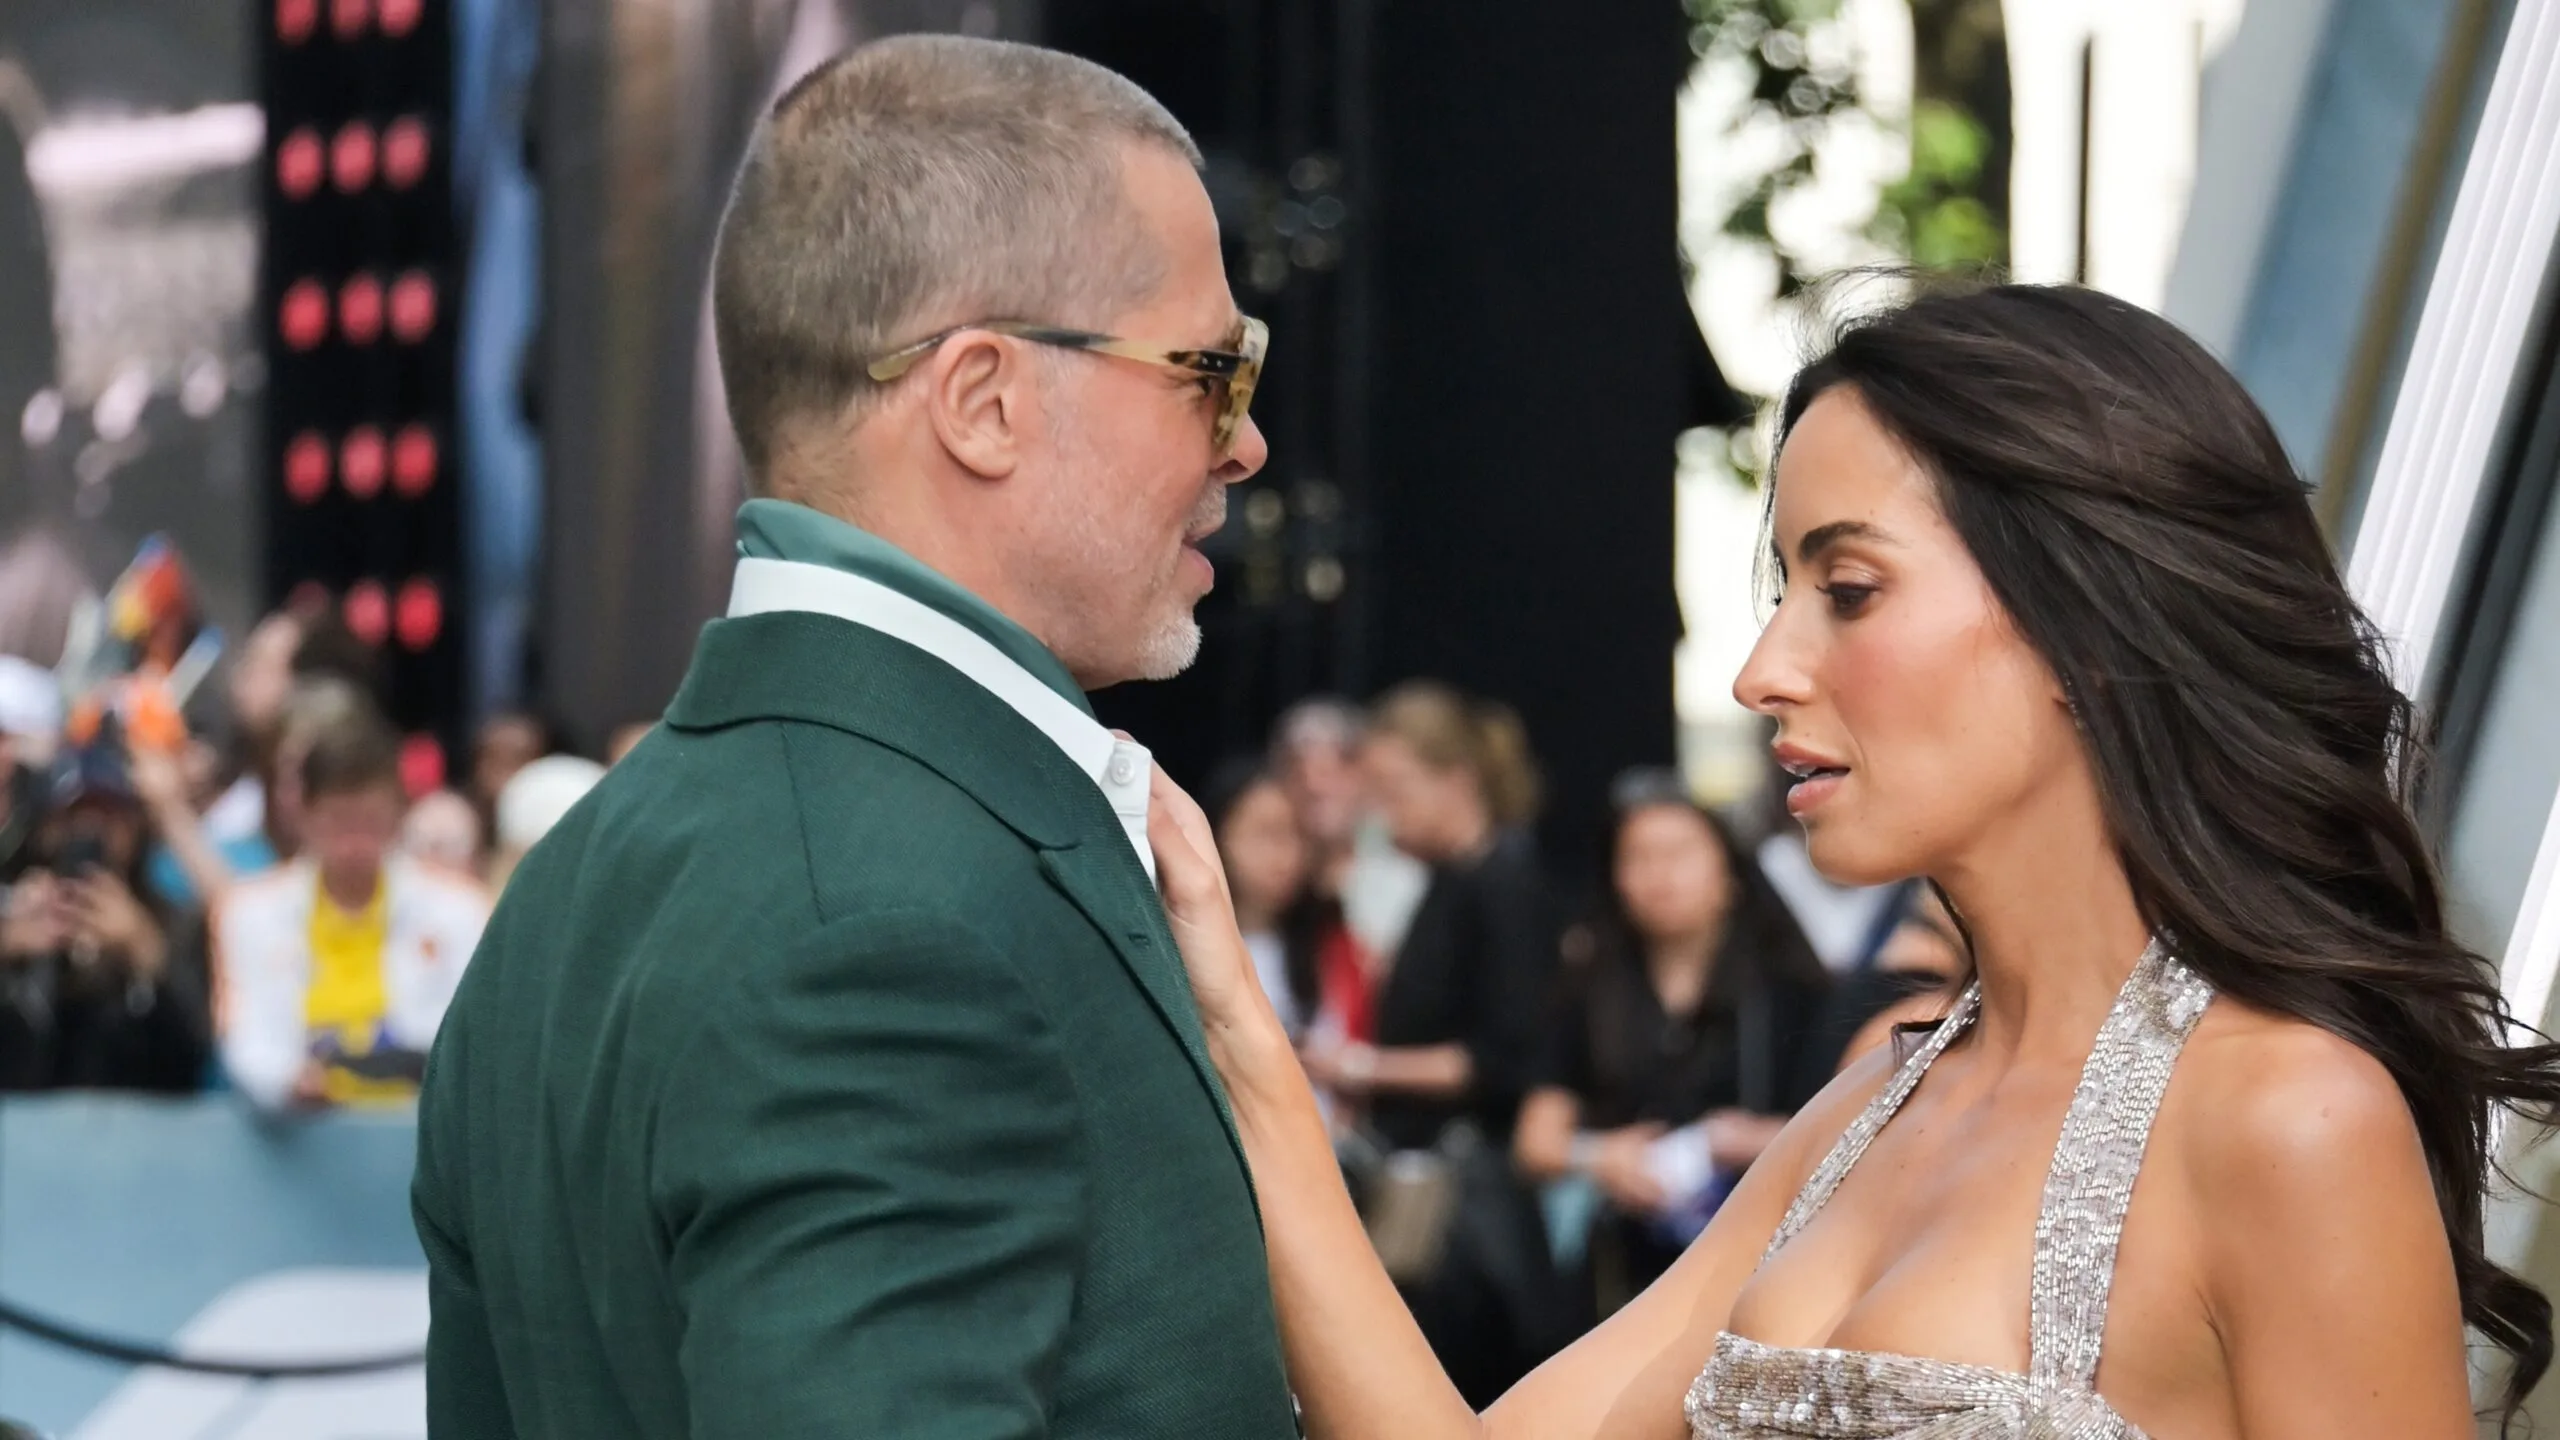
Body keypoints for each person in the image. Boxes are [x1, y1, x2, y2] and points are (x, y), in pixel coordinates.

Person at [1140, 282, 2560, 1438]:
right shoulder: (1869, 1104)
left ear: (2087, 624)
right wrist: (1245, 1050)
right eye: (1782, 596)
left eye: (1850, 590)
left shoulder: (2289, 1115)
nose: (1764, 671)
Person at [410, 36, 1292, 1440]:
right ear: (984, 401)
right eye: (1211, 370)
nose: (1242, 444)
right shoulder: (893, 927)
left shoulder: (571, 889)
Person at [1308, 680, 1563, 1404]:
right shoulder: (1451, 880)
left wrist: (1357, 1066)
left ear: (1457, 780)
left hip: (1462, 1189)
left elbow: (1498, 1057)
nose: (1381, 812)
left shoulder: (1502, 883)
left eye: (1394, 788)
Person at [1513, 768, 1829, 1319]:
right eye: (1638, 856)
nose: (1660, 874)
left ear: (1728, 871)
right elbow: (1535, 1140)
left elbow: (1842, 1130)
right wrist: (1602, 1157)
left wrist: (1738, 1139)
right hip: (1621, 1266)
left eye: (1680, 852)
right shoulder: (1589, 985)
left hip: (1755, 1256)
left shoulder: (1790, 988)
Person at [216, 713, 490, 1111]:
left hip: (418, 1128)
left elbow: (473, 1038)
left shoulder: (462, 908)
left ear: (399, 814)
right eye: (339, 822)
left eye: (371, 822)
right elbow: (246, 1035)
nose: (355, 844)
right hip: (300, 1133)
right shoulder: (246, 911)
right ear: (303, 814)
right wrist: (285, 1081)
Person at [0, 732, 212, 1093]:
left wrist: (145, 955)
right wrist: (7, 950)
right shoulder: (17, 911)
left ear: (134, 827)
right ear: (46, 829)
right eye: (75, 818)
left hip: (143, 1131)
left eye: (109, 817)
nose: (91, 832)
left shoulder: (174, 922)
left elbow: (194, 1057)